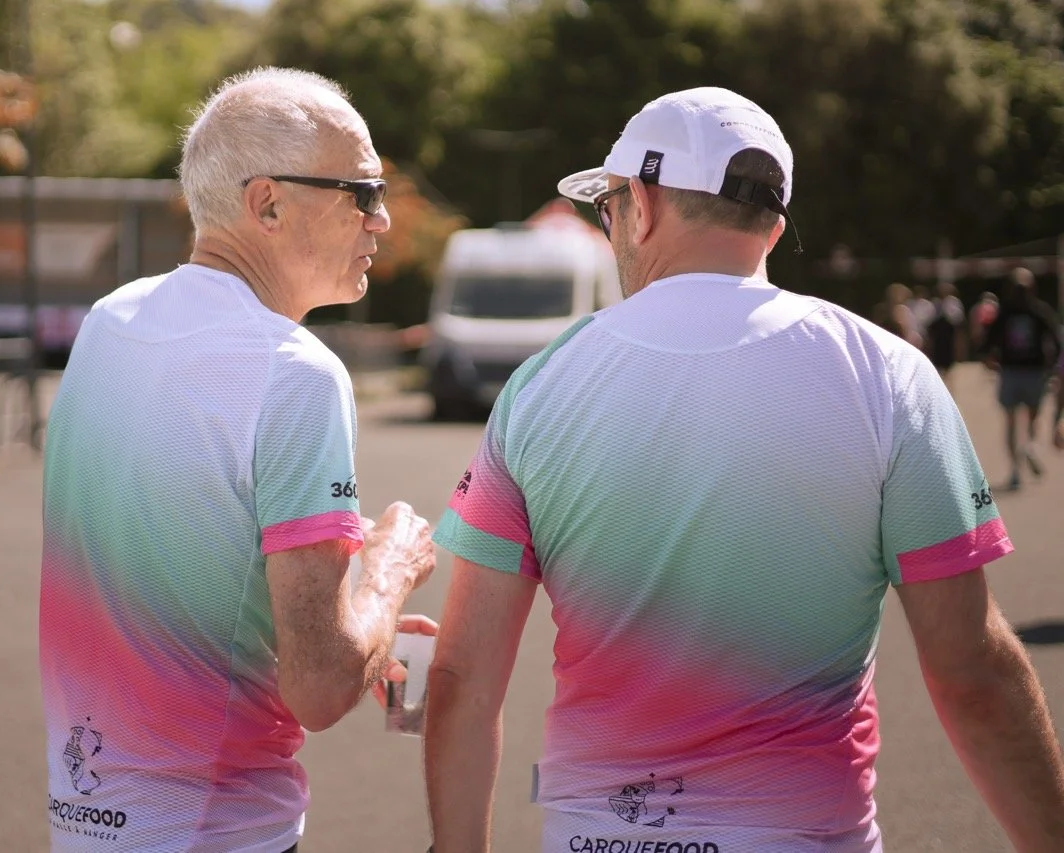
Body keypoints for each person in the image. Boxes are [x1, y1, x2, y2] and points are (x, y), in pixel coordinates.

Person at [423, 86, 1064, 852]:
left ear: (645, 203)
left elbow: (463, 675)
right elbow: (973, 674)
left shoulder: (543, 384)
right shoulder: (888, 374)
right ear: (773, 225)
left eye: (610, 209)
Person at [39, 67, 436, 853]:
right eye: (363, 191)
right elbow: (320, 687)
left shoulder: (111, 321)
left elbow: (193, 518)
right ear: (269, 204)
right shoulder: (296, 370)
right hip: (216, 826)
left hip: (85, 814)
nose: (382, 219)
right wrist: (388, 573)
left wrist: (368, 622)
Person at [980, 267, 1061, 490]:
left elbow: (988, 341)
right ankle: (1029, 450)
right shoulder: (1038, 311)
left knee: (1013, 421)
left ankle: (1017, 465)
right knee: (1032, 419)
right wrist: (1051, 365)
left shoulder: (1007, 313)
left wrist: (988, 357)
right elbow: (1055, 339)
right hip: (1031, 372)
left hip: (1014, 371)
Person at [926, 280, 967, 388]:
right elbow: (930, 326)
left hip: (949, 340)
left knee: (949, 368)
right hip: (937, 341)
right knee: (937, 368)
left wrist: (959, 345)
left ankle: (948, 391)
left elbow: (958, 327)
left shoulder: (954, 304)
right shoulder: (933, 305)